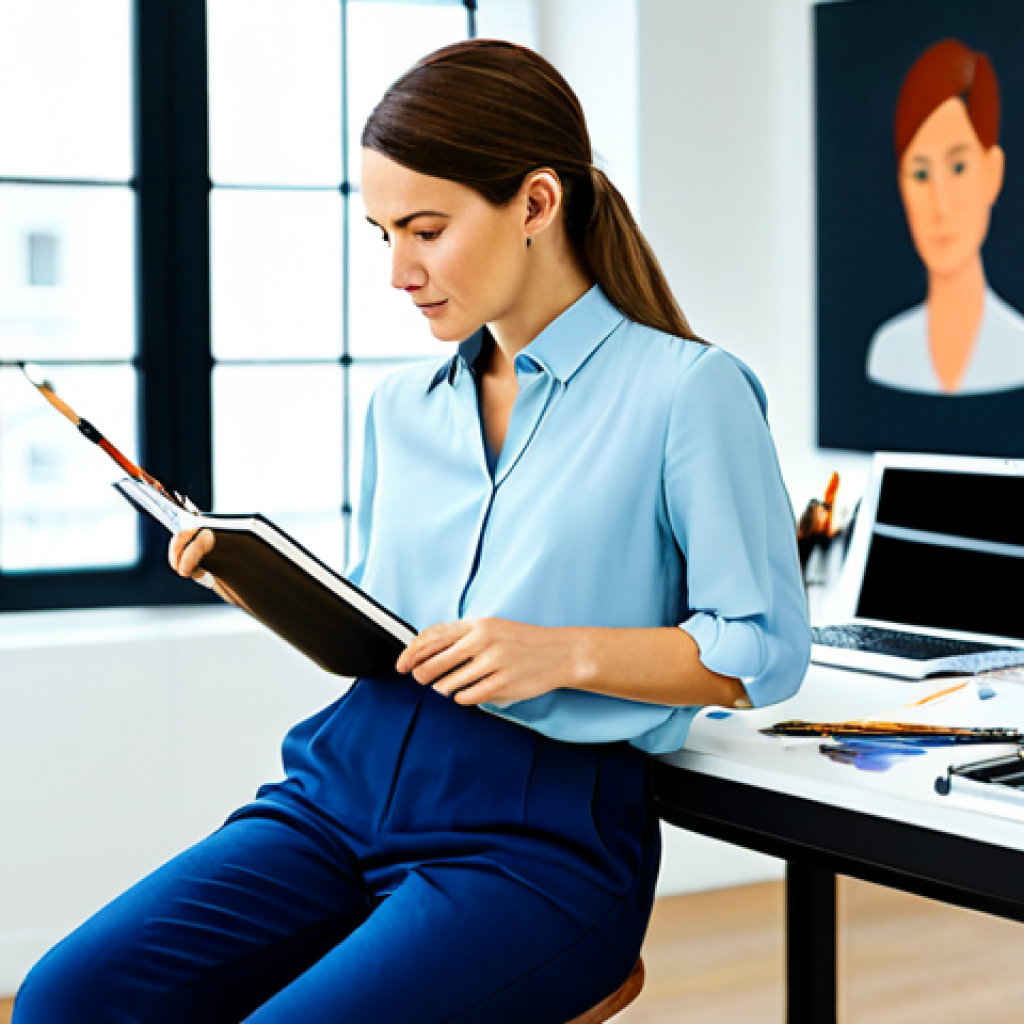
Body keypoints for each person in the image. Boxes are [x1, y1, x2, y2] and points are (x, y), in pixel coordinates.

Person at [13, 40, 810, 1023]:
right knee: (67, 996)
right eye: (381, 232)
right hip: (338, 790)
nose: (398, 270)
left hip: (538, 837)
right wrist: (253, 581)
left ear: (535, 203)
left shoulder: (690, 393)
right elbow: (382, 626)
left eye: (425, 229)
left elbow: (762, 648)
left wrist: (557, 653)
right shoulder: (401, 409)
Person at [866, 38, 1024, 395]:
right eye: (921, 174)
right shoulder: (888, 351)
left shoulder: (1017, 346)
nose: (941, 204)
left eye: (958, 167)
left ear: (991, 172)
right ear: (903, 187)